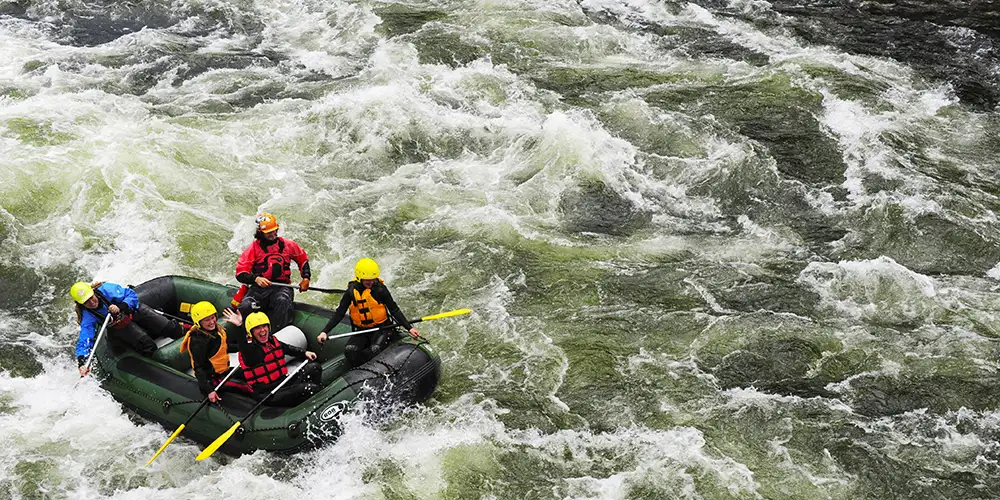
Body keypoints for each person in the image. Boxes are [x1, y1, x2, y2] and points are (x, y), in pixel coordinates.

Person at [315, 258, 419, 367]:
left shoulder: (380, 290)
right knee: (350, 351)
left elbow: (394, 310)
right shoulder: (351, 292)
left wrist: (409, 328)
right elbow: (339, 313)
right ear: (359, 278)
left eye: (373, 279)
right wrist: (325, 332)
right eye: (367, 280)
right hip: (361, 330)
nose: (371, 282)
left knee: (375, 350)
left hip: (382, 328)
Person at [71, 281, 184, 376]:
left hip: (134, 311)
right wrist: (82, 362)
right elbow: (85, 340)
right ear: (81, 304)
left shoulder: (107, 290)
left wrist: (122, 306)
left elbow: (131, 295)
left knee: (171, 328)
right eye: (86, 302)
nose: (91, 302)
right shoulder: (88, 317)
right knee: (148, 346)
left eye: (91, 298)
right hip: (121, 326)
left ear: (93, 292)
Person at [234, 213, 311, 331]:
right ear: (260, 232)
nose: (273, 234)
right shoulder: (253, 249)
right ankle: (248, 335)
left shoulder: (288, 245)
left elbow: (303, 260)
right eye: (269, 232)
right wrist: (256, 279)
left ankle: (277, 336)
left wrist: (306, 278)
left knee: (282, 301)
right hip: (259, 289)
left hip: (282, 287)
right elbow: (240, 273)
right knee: (246, 306)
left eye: (274, 230)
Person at [229, 310, 322, 406]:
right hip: (269, 394)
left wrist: (305, 353)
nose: (262, 330)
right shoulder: (251, 351)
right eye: (257, 328)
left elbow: (287, 348)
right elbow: (245, 349)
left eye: (264, 326)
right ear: (251, 332)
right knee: (309, 388)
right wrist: (240, 328)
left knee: (315, 367)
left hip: (283, 382)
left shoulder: (271, 341)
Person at [179, 301, 251, 402]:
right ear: (198, 322)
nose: (212, 322)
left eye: (213, 318)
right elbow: (199, 368)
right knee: (244, 387)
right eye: (207, 320)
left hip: (223, 370)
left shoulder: (215, 330)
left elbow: (224, 347)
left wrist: (245, 346)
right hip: (213, 378)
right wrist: (209, 390)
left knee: (251, 373)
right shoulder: (198, 342)